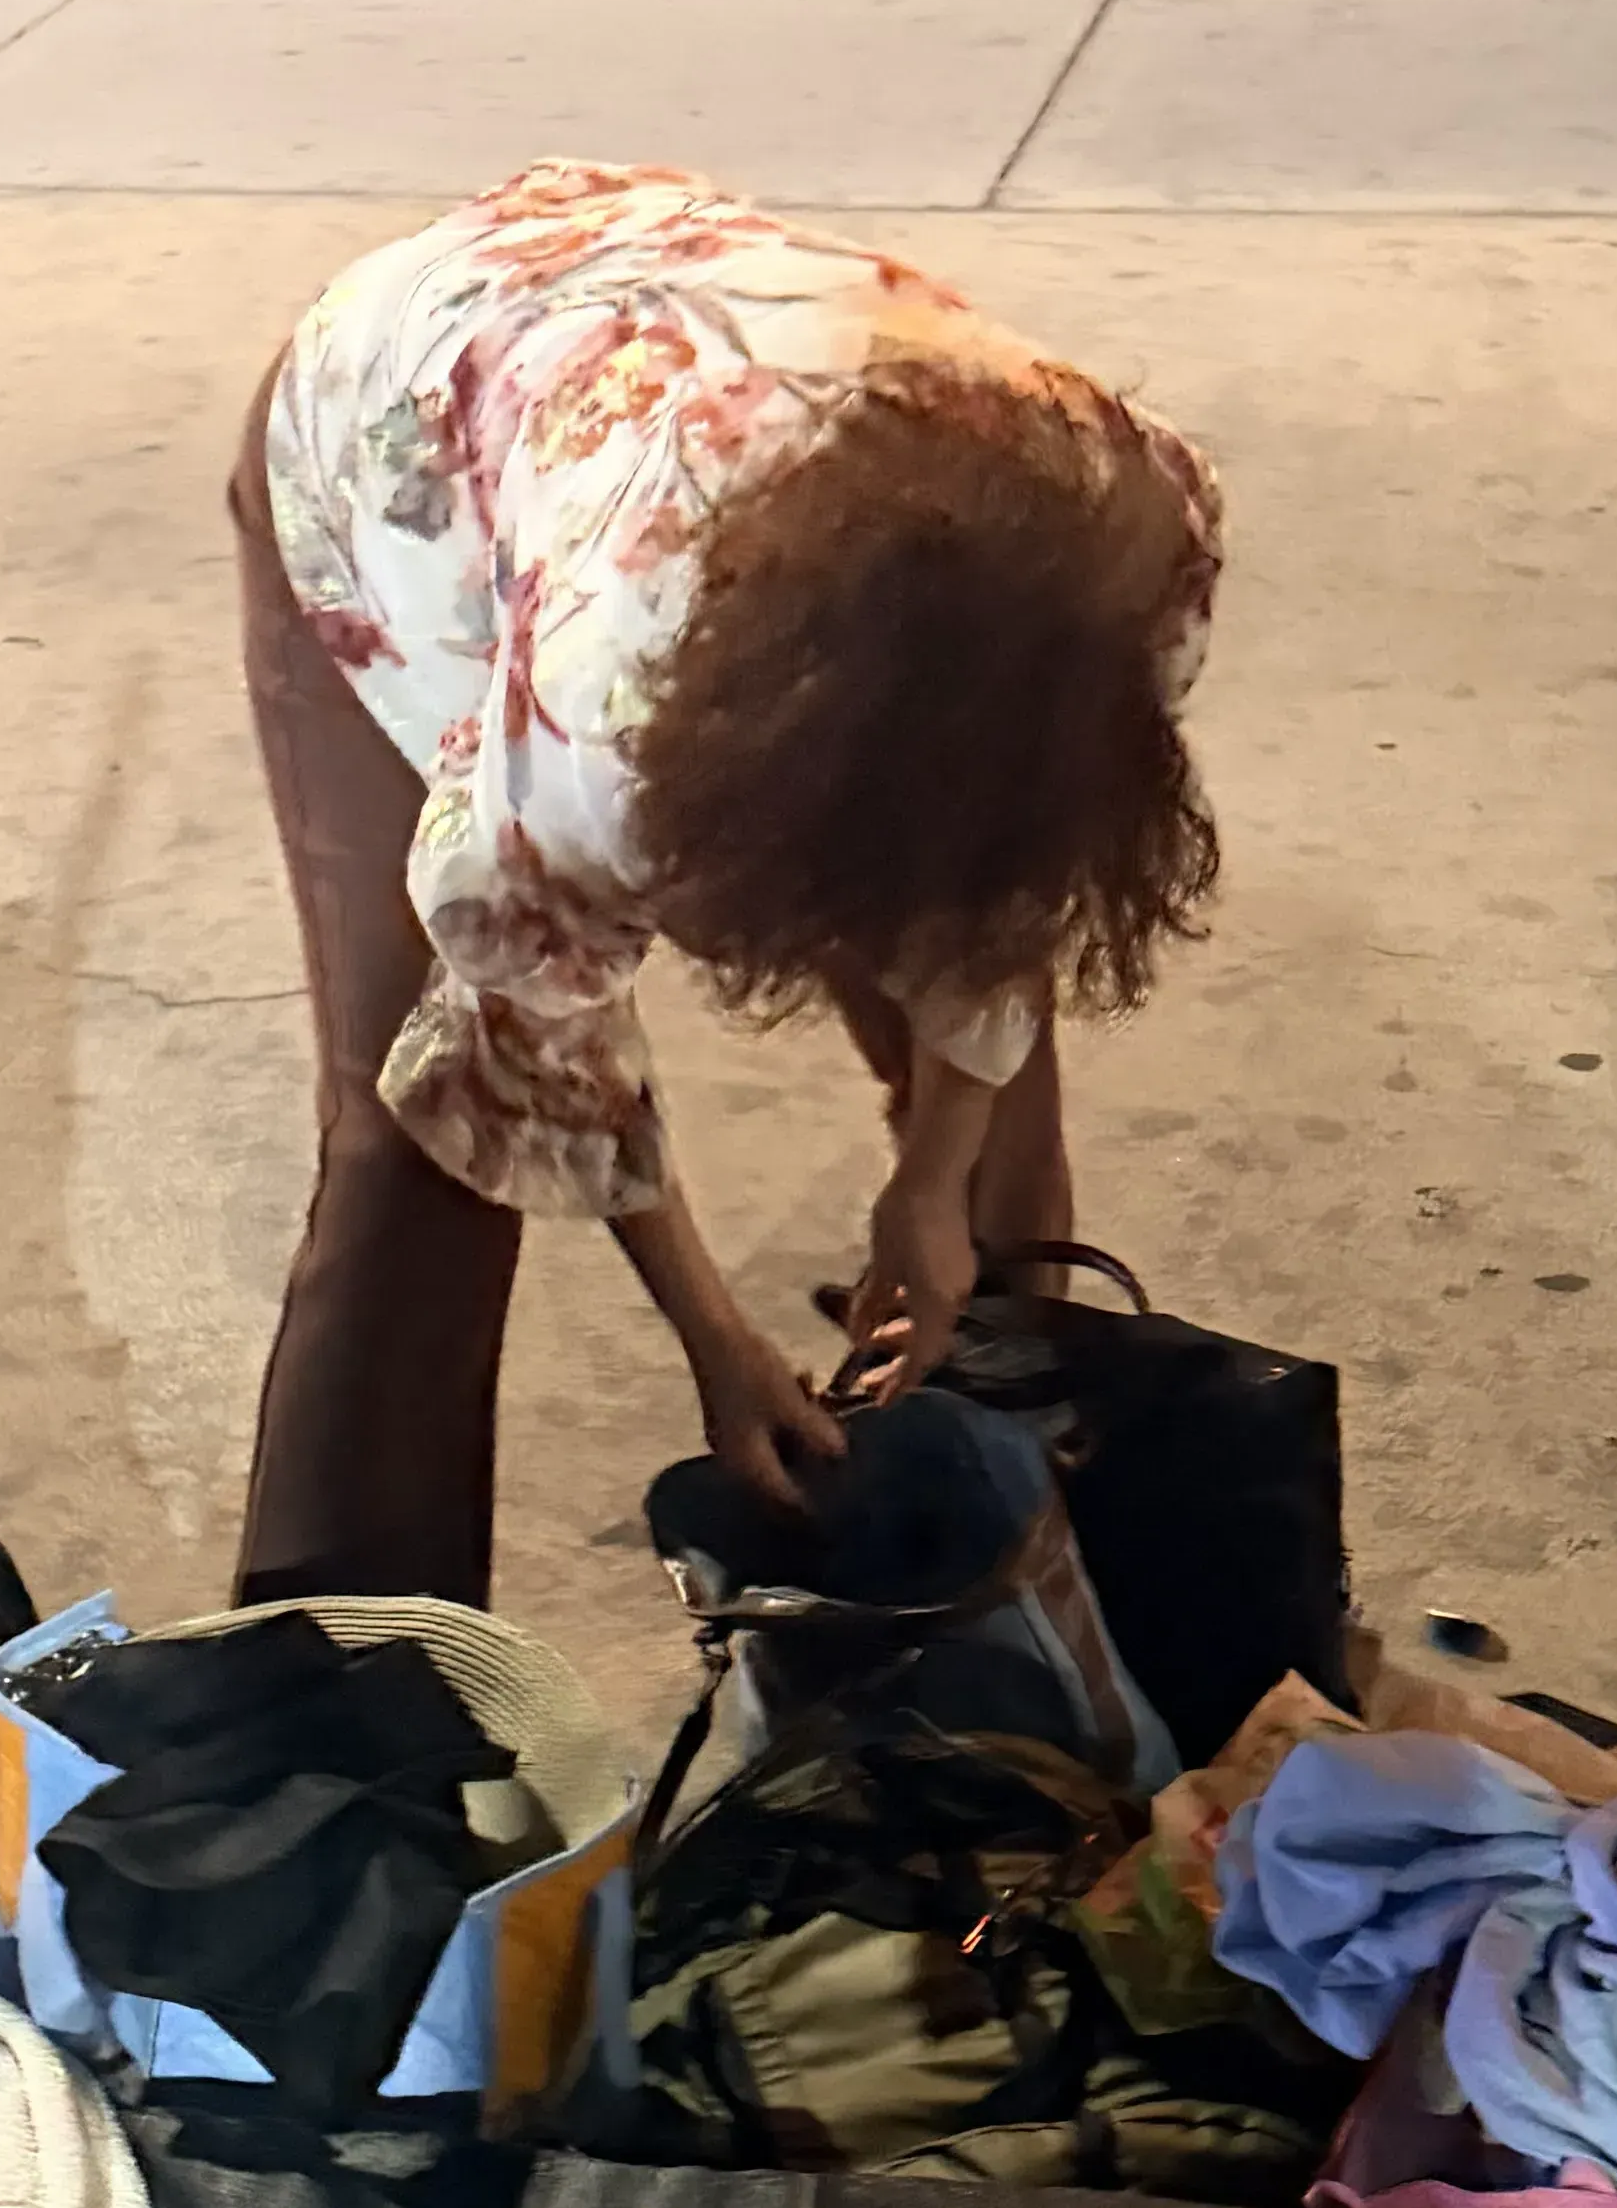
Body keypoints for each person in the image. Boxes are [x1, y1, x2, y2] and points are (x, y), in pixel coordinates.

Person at [230, 159, 1223, 1608]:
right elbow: (533, 1032)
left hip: (683, 344)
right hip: (400, 434)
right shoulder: (601, 714)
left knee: (1000, 1121)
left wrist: (935, 1186)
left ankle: (999, 1563)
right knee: (415, 1146)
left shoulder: (1134, 536)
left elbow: (1008, 907)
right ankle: (339, 1698)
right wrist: (715, 1342)